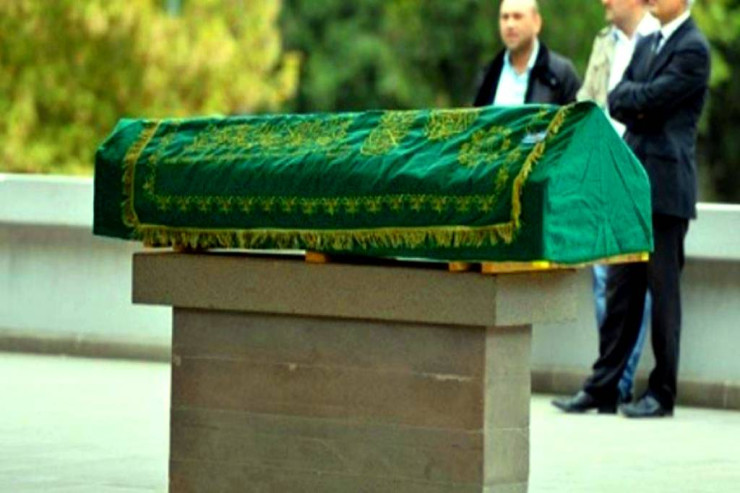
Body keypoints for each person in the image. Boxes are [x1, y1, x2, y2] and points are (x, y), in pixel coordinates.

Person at [553, 0, 710, 418]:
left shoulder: (693, 47)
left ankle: (662, 393)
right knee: (620, 292)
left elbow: (653, 99)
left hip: (666, 190)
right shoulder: (647, 44)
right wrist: (638, 101)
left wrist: (638, 101)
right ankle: (602, 388)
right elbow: (618, 98)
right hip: (631, 187)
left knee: (663, 295)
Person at [577, 0, 660, 405]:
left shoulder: (658, 39)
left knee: (635, 284)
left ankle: (620, 382)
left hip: (639, 171)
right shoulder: (603, 42)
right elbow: (587, 102)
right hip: (602, 173)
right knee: (602, 282)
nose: (605, 1)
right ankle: (607, 382)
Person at [473, 0, 580, 107]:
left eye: (517, 17)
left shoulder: (560, 75)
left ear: (536, 23)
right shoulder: (489, 75)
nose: (510, 24)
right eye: (505, 17)